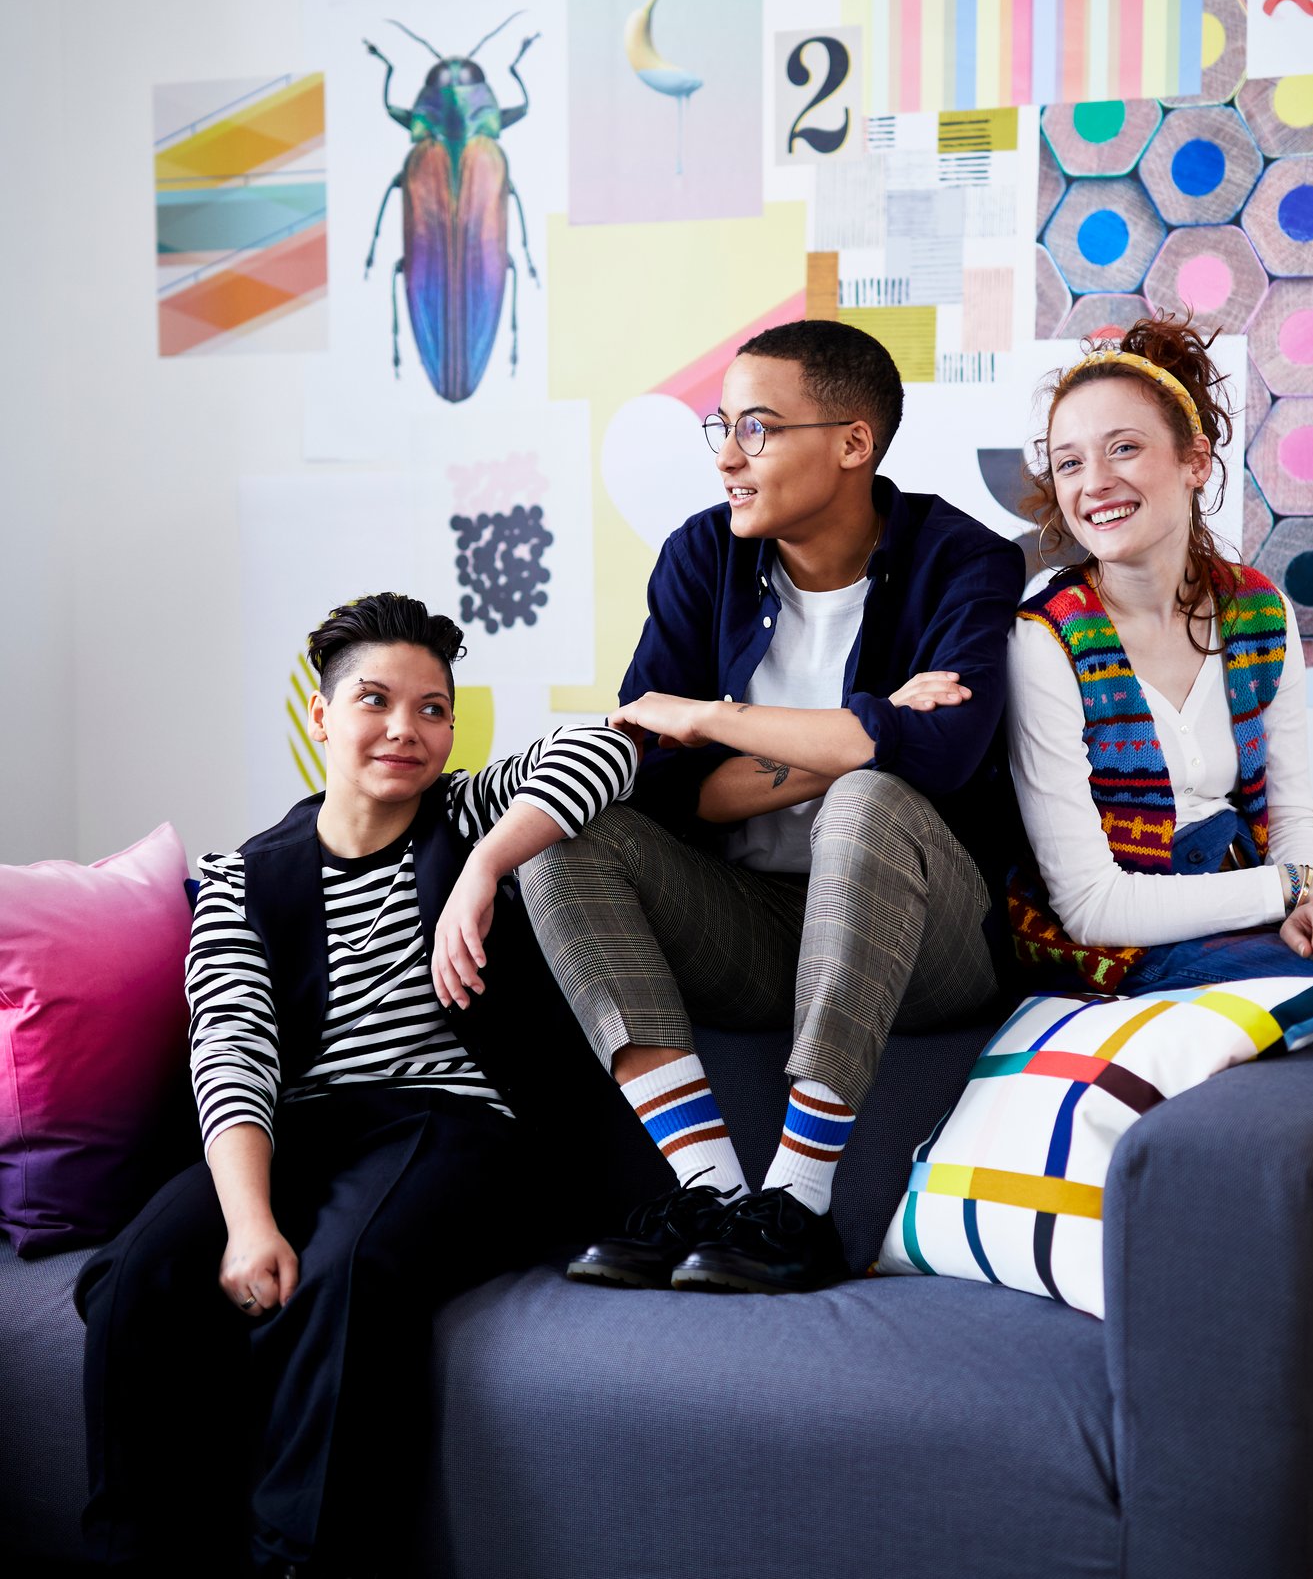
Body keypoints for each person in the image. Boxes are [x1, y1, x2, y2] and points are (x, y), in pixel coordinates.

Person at [76, 592, 637, 1579]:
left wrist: (484, 870)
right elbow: (233, 1049)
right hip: (297, 1130)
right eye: (374, 701)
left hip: (453, 1125)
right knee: (134, 1279)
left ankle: (301, 1562)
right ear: (320, 717)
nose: (405, 730)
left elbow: (607, 749)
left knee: (344, 1278)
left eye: (433, 709)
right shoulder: (240, 876)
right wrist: (248, 1223)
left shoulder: (468, 814)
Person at [501, 321, 1025, 1295]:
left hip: (927, 940)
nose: (727, 457)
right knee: (571, 840)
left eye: (757, 427)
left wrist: (717, 718)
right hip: (751, 927)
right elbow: (656, 783)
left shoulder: (964, 560)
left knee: (868, 802)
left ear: (851, 442)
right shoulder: (700, 557)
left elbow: (942, 762)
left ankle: (798, 1203)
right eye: (719, 425)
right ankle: (712, 1192)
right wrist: (861, 729)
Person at [1006, 314, 1313, 1022]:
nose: (1093, 482)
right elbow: (1092, 906)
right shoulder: (1044, 638)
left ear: (1194, 460)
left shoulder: (1259, 609)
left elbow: (1292, 813)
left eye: (1122, 448)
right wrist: (1297, 886)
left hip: (1235, 894)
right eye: (1069, 462)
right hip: (1123, 948)